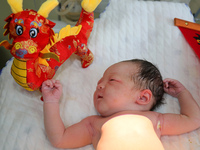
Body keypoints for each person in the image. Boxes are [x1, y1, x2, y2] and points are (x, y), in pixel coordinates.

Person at [42, 59, 200, 150]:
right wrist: (51, 102)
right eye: (99, 82)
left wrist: (182, 94)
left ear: (143, 98)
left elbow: (192, 119)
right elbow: (60, 139)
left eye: (111, 80)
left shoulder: (156, 120)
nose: (100, 86)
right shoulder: (93, 124)